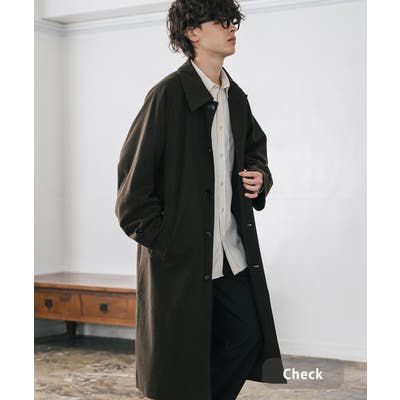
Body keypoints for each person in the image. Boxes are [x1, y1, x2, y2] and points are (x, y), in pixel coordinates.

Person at [115, 1, 287, 399]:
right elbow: (132, 192)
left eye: (233, 21)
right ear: (192, 32)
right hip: (182, 259)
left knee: (247, 336)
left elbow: (255, 152)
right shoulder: (166, 96)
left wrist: (260, 177)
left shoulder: (235, 98)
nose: (232, 28)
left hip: (230, 253)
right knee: (181, 359)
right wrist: (168, 241)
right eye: (222, 21)